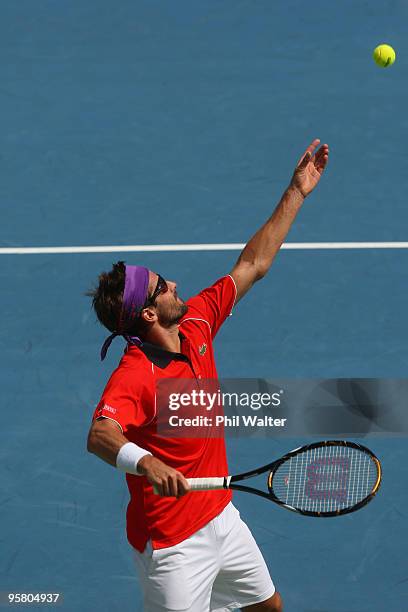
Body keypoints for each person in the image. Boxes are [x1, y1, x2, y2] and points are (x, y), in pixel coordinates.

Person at [87, 139, 329, 612]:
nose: (175, 284)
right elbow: (100, 435)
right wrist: (147, 464)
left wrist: (297, 191)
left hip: (221, 513)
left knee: (268, 608)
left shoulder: (196, 322)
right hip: (173, 546)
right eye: (162, 288)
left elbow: (253, 264)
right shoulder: (134, 377)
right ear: (150, 316)